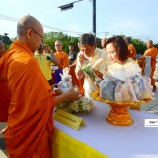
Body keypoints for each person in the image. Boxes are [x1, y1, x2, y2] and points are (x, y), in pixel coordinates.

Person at [0, 15, 80, 158]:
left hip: (16, 123)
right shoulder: (26, 61)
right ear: (30, 33)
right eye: (41, 37)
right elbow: (38, 106)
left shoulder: (9, 56)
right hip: (29, 134)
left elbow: (24, 96)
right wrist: (67, 96)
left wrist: (53, 91)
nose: (41, 42)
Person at [75, 33, 110, 98]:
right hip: (88, 91)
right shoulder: (80, 55)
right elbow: (78, 76)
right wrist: (82, 65)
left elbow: (102, 76)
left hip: (102, 92)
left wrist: (87, 64)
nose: (85, 53)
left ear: (95, 46)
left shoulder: (104, 55)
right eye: (82, 50)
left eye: (88, 49)